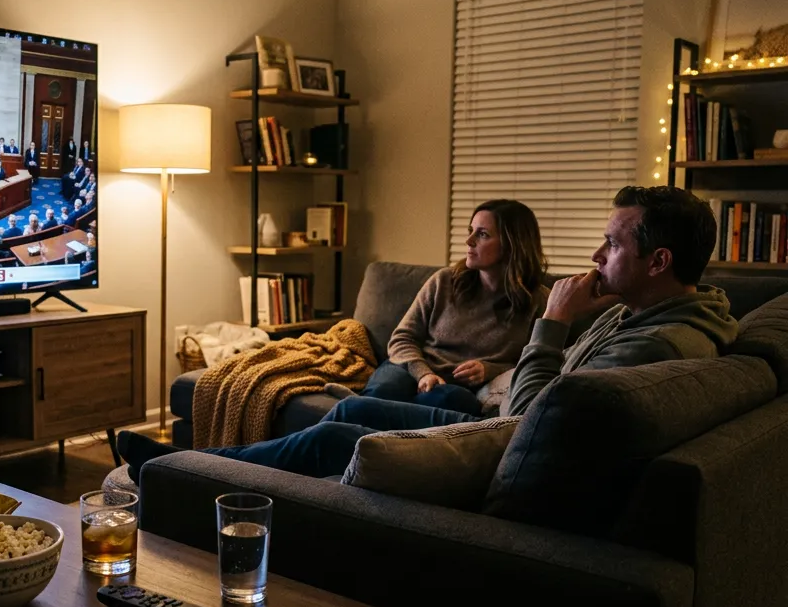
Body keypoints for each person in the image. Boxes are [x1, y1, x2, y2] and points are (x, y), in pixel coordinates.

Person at [118, 185, 741, 482]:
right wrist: (426, 369)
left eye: (613, 243)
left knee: (338, 432)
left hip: (499, 437)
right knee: (361, 400)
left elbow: (526, 413)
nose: (598, 253)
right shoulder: (639, 313)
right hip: (492, 417)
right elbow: (408, 341)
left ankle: (185, 472)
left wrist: (550, 324)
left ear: (658, 262)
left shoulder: (656, 345)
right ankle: (187, 464)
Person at [336, 200, 548, 416]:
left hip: (452, 387)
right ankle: (351, 415)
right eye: (470, 231)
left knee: (451, 401)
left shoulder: (538, 301)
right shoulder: (445, 281)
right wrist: (423, 373)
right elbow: (402, 338)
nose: (469, 241)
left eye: (482, 234)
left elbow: (537, 362)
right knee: (384, 392)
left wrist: (491, 369)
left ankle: (356, 410)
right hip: (410, 367)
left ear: (513, 244)